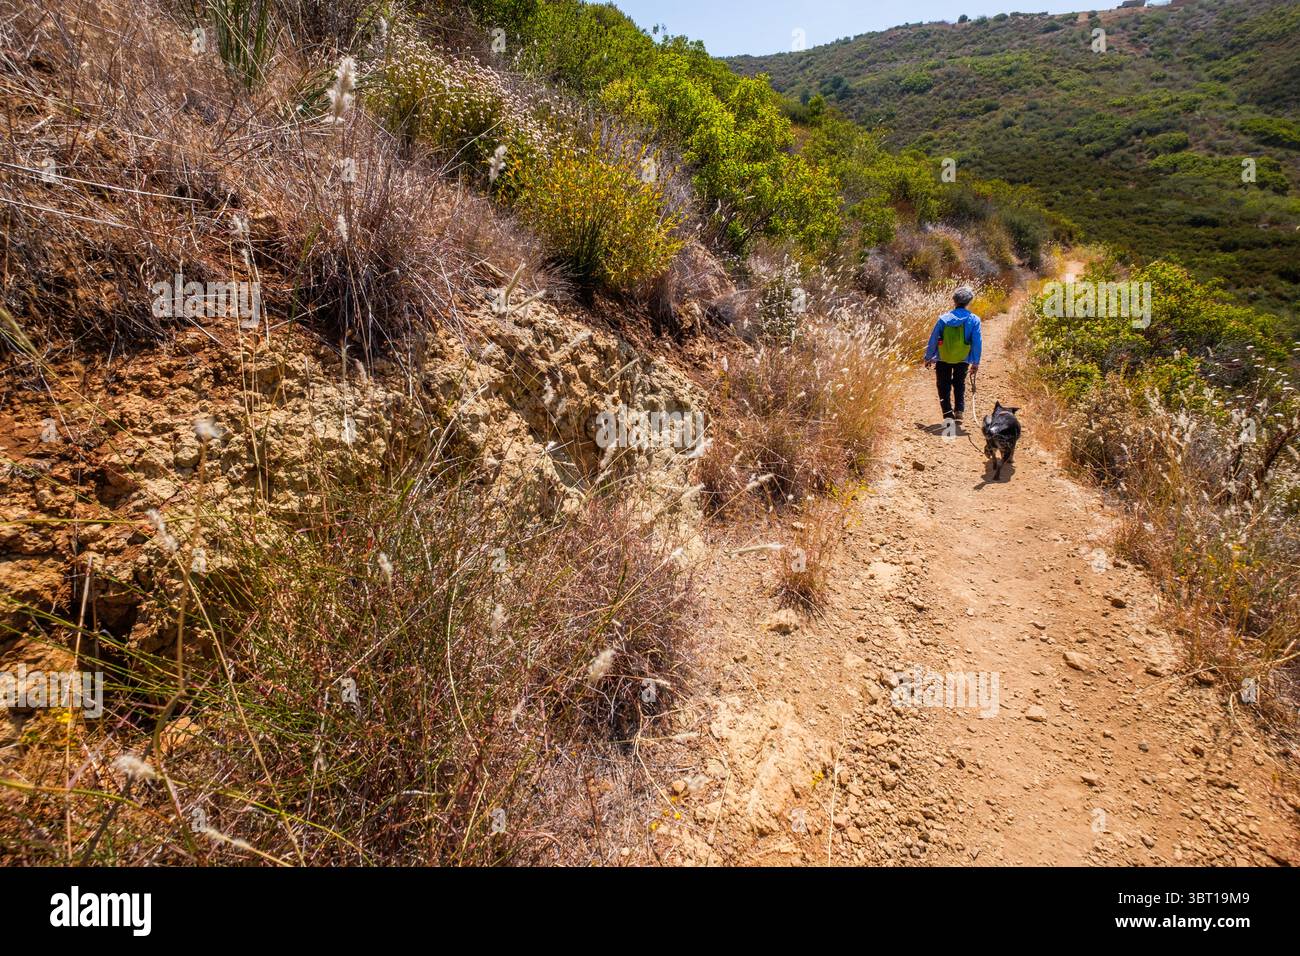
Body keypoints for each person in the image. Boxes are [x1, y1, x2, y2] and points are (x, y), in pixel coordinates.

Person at [924, 286, 982, 422]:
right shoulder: (974, 320)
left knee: (943, 385)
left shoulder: (943, 319)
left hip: (943, 357)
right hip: (963, 358)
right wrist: (975, 362)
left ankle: (948, 413)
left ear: (954, 301)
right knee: (959, 383)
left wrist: (928, 357)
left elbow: (933, 339)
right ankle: (959, 411)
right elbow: (977, 342)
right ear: (969, 302)